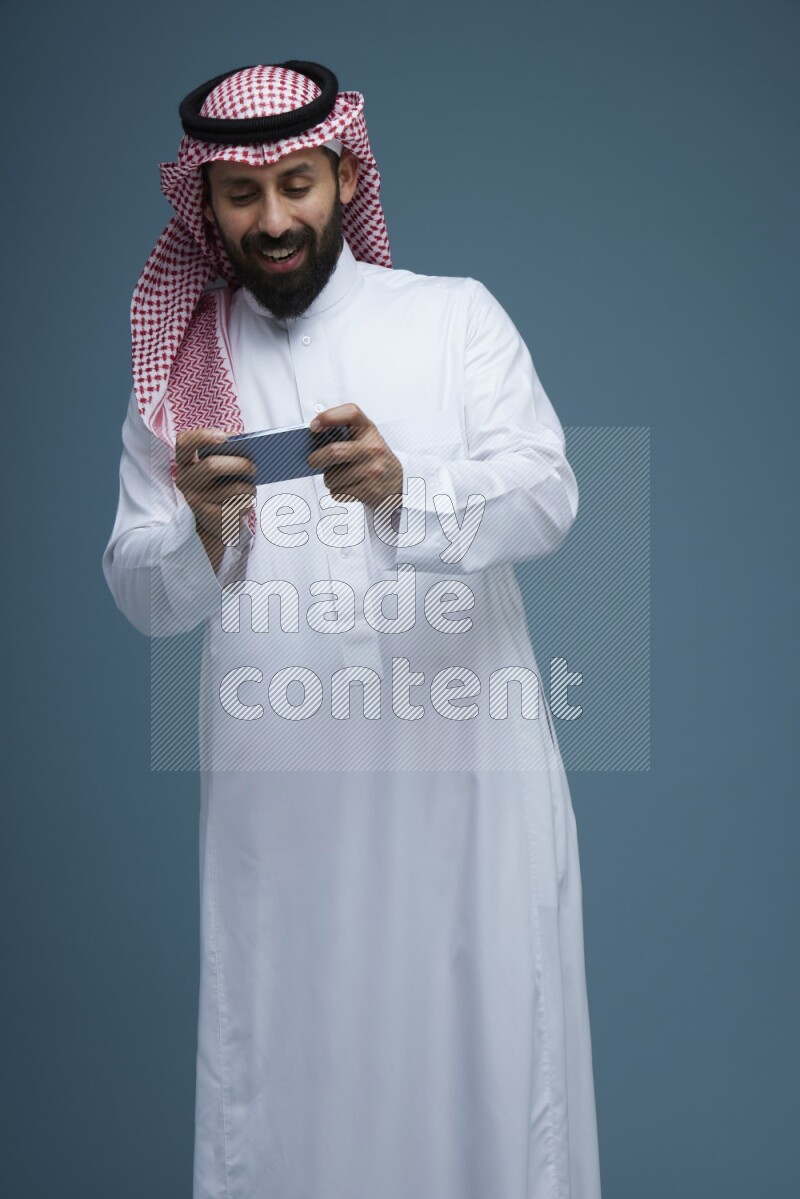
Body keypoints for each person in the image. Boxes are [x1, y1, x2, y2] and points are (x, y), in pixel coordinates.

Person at [103, 60, 602, 1199]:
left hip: (461, 795)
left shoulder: (450, 317)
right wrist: (202, 528)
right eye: (242, 194)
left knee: (483, 1076)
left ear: (341, 175)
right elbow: (143, 593)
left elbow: (548, 494)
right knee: (286, 1086)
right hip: (284, 824)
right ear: (206, 205)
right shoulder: (185, 375)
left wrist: (401, 489)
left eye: (296, 183)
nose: (273, 219)